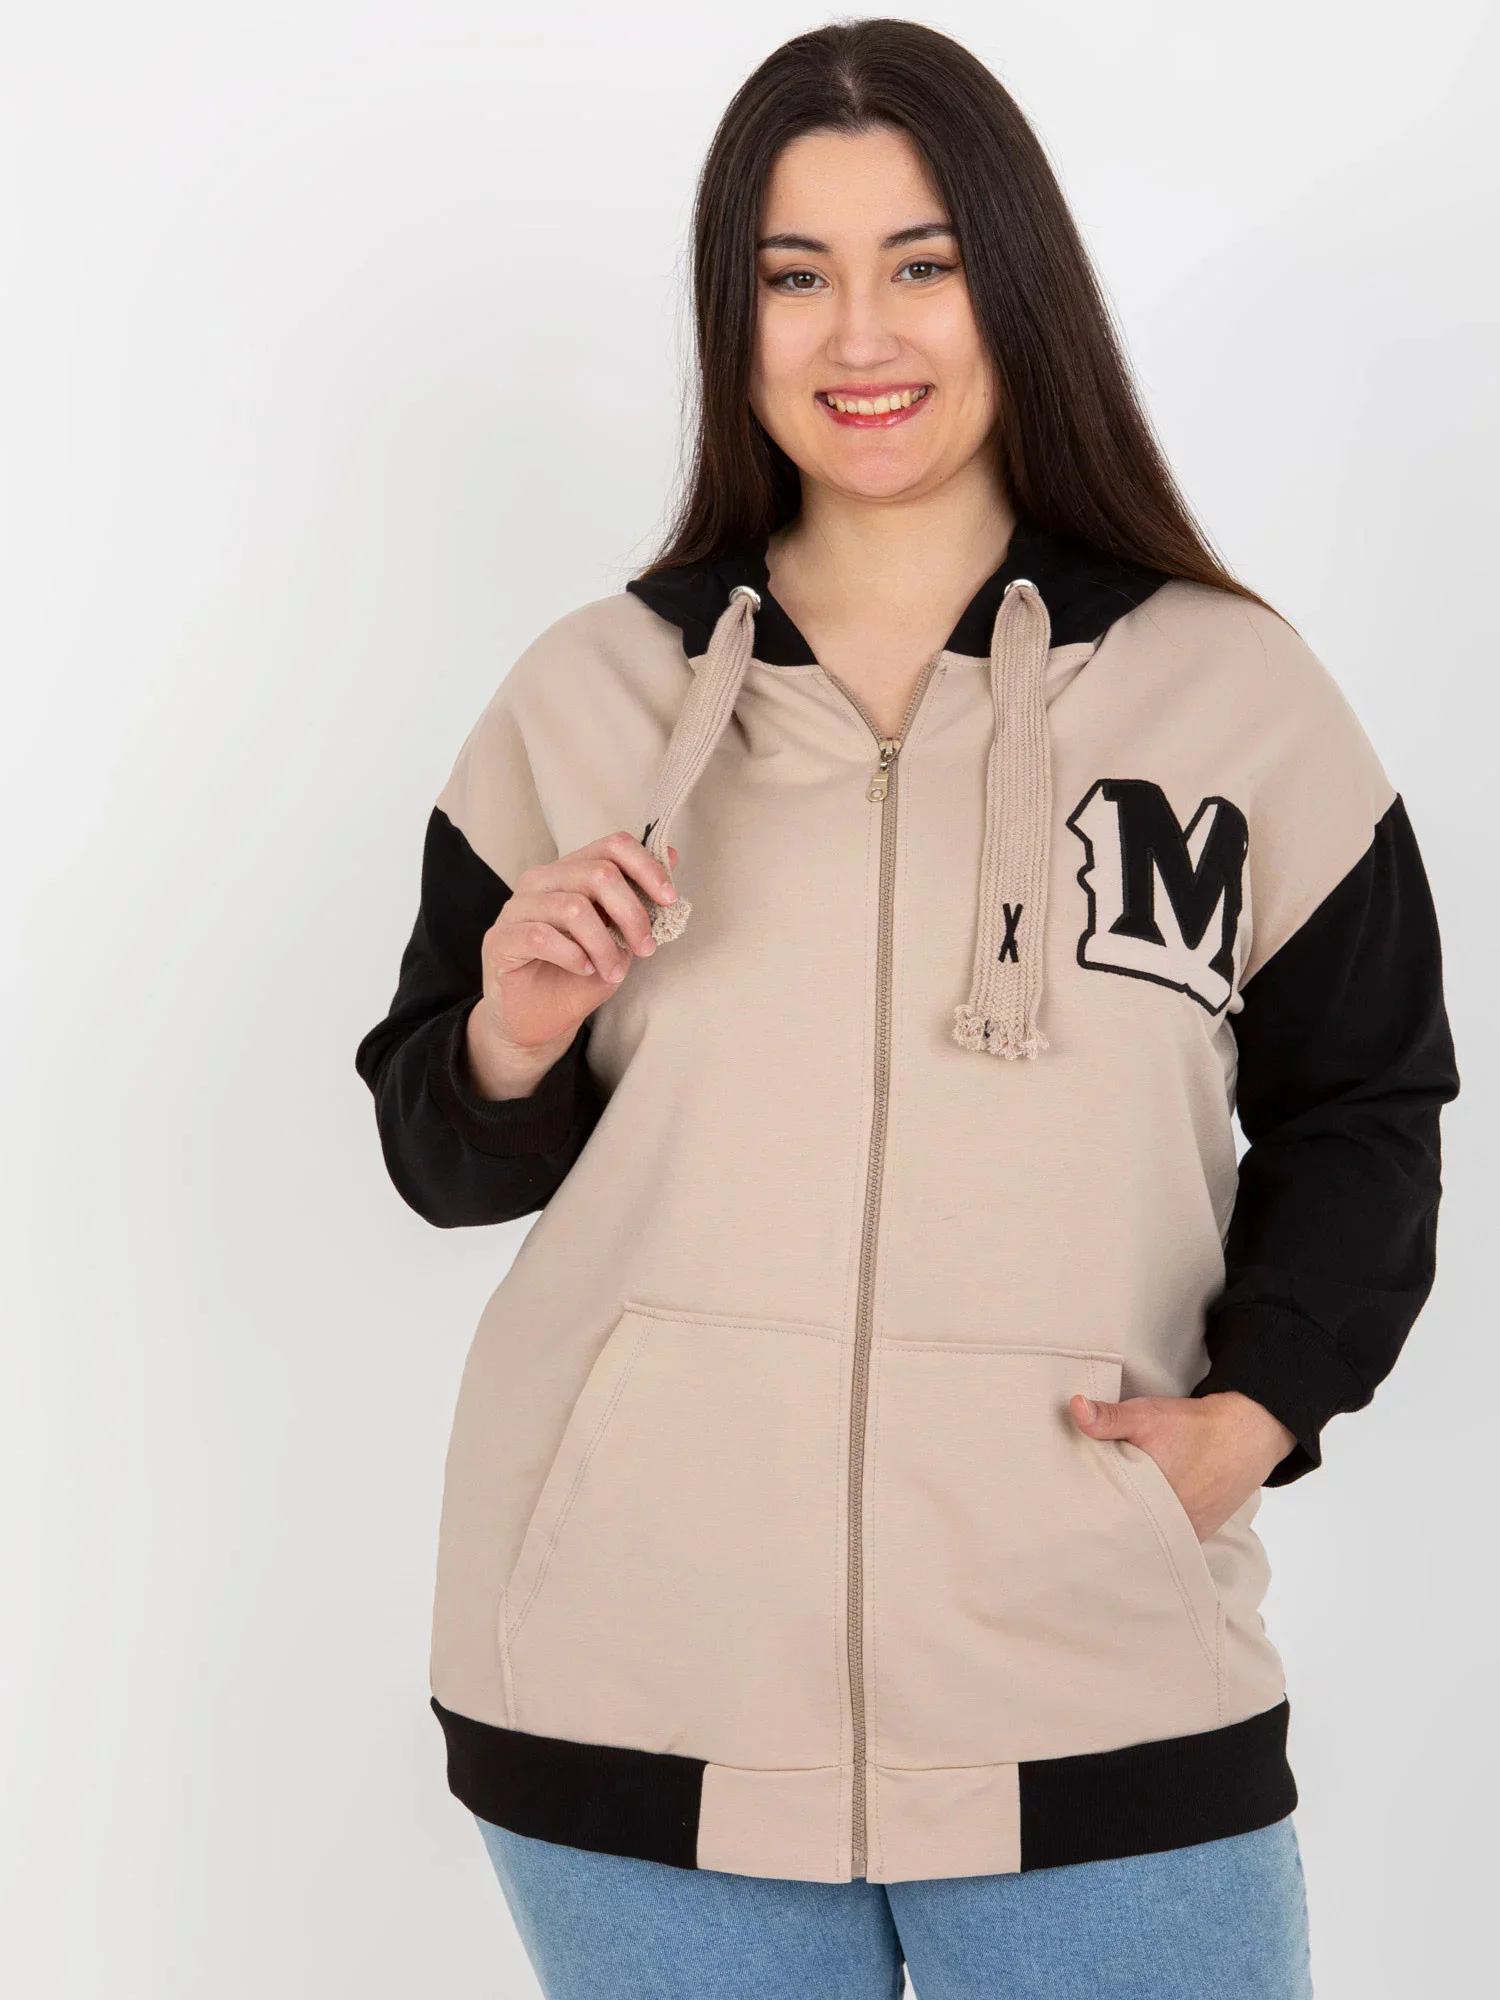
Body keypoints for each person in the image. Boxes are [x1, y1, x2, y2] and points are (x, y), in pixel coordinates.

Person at [354, 19, 1458, 1999]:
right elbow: (442, 1151)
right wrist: (514, 1024)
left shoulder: (1234, 698)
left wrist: (1256, 1416)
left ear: (1014, 283)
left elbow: (1368, 1103)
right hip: (631, 1691)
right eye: (796, 275)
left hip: (1098, 1684)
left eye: (921, 262)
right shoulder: (591, 696)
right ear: (737, 316)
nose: (858, 335)